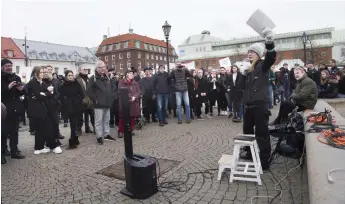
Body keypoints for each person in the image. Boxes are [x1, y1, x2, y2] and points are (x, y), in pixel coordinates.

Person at [240, 28, 277, 170]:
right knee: (247, 132)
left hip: (260, 107)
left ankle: (264, 160)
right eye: (248, 52)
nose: (249, 54)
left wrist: (270, 43)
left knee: (262, 134)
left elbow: (271, 57)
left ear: (258, 54)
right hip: (248, 106)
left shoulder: (263, 66)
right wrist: (243, 74)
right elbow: (241, 88)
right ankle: (249, 153)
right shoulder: (249, 70)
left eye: (252, 52)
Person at [27, 66, 62, 155]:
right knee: (46, 127)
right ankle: (50, 146)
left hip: (41, 109)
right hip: (37, 110)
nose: (43, 74)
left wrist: (45, 94)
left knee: (41, 129)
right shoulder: (33, 82)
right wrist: (45, 94)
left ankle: (39, 148)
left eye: (43, 72)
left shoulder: (40, 82)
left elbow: (48, 92)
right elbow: (39, 96)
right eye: (41, 72)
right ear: (36, 73)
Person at [1, 58, 25, 160]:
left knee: (14, 131)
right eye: (7, 66)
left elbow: (21, 93)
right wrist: (8, 87)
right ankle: (2, 153)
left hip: (15, 108)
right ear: (2, 67)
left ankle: (14, 151)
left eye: (10, 66)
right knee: (3, 132)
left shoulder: (16, 77)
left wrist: (21, 90)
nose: (9, 68)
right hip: (3, 109)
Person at [87, 61, 116, 145]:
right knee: (98, 121)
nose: (103, 69)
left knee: (106, 120)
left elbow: (111, 88)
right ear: (96, 69)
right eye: (100, 67)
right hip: (98, 104)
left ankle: (106, 134)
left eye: (104, 67)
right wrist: (96, 99)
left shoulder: (107, 77)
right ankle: (99, 136)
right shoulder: (93, 78)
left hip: (107, 103)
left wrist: (111, 97)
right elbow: (89, 91)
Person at [60, 70, 84, 149]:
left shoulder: (76, 84)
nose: (71, 77)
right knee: (73, 124)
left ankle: (76, 139)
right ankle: (72, 142)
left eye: (72, 75)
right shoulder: (63, 85)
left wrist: (80, 100)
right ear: (66, 76)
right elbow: (61, 97)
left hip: (78, 106)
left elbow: (82, 94)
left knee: (78, 124)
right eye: (69, 75)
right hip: (70, 107)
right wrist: (66, 103)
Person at [43, 65, 65, 140]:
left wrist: (57, 100)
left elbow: (59, 91)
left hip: (55, 103)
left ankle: (57, 134)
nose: (48, 72)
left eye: (50, 70)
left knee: (56, 121)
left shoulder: (56, 80)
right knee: (49, 122)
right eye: (46, 70)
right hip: (46, 104)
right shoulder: (42, 81)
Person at [118, 70, 141, 138]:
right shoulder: (121, 82)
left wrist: (135, 96)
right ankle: (121, 131)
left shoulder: (135, 82)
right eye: (130, 73)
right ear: (126, 74)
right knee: (122, 118)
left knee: (132, 117)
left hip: (133, 102)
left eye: (132, 73)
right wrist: (131, 97)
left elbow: (138, 91)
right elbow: (121, 90)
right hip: (125, 102)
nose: (132, 74)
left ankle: (131, 130)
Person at [75, 64, 95, 133]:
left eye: (87, 69)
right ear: (79, 70)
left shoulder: (89, 78)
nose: (86, 70)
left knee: (91, 114)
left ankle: (88, 128)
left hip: (89, 100)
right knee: (80, 116)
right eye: (84, 69)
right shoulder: (77, 79)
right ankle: (78, 129)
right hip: (80, 100)